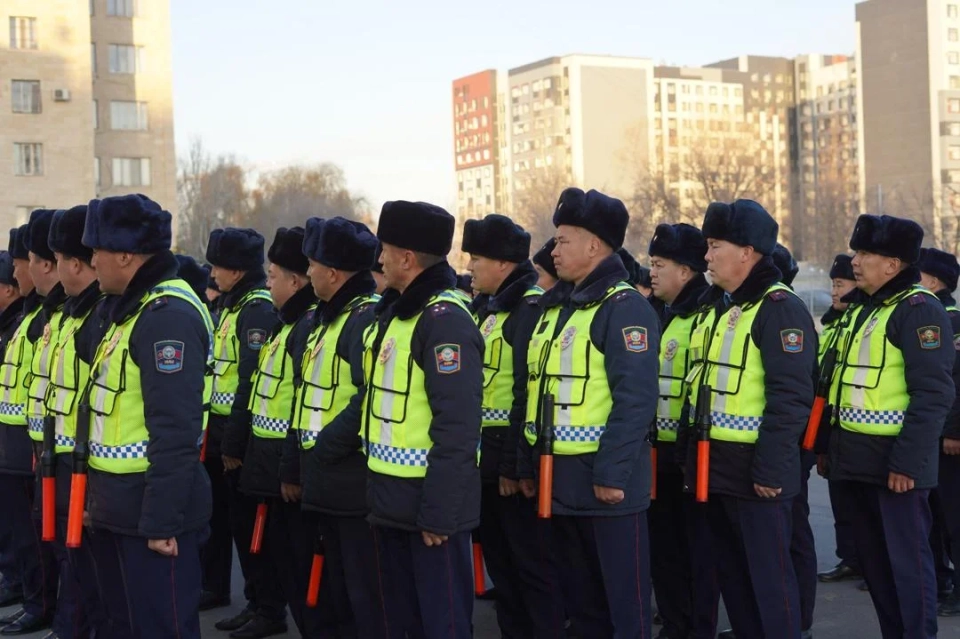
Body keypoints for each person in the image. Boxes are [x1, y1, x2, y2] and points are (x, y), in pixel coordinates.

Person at [520, 187, 660, 637]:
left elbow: (635, 399)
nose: (553, 249)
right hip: (561, 480)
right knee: (582, 605)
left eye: (563, 240)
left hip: (606, 488)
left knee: (624, 606)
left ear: (595, 246)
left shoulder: (624, 308)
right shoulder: (560, 306)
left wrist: (612, 475)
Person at [80, 193, 213, 638]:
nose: (91, 261)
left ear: (125, 253)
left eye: (96, 250)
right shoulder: (129, 310)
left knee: (161, 629)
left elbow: (175, 430)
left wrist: (161, 522)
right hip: (119, 508)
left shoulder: (166, 317)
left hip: (150, 515)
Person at [686, 199, 816, 639]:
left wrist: (772, 468)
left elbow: (791, 398)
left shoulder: (779, 308)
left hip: (757, 475)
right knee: (736, 582)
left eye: (715, 246)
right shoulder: (725, 307)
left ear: (747, 252)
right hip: (717, 469)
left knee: (770, 586)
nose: (706, 256)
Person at [826, 214, 954, 638]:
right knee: (879, 574)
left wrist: (908, 464)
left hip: (896, 471)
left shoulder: (918, 311)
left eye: (865, 254)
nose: (855, 262)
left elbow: (932, 393)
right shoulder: (864, 310)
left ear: (893, 264)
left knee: (907, 571)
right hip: (857, 465)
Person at [364, 200, 482, 638]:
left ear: (408, 259)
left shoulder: (445, 320)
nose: (379, 259)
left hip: (430, 512)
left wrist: (439, 513)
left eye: (385, 249)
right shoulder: (399, 314)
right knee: (403, 623)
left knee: (442, 623)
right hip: (393, 503)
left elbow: (457, 426)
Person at [462, 214, 564, 638]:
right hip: (485, 463)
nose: (469, 268)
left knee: (531, 568)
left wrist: (513, 466)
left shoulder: (527, 309)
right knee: (503, 567)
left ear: (503, 264)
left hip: (510, 462)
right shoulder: (489, 310)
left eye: (477, 259)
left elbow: (526, 392)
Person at [293, 216, 385, 637]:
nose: (307, 272)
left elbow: (368, 395)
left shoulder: (361, 318)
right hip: (326, 481)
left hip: (349, 481)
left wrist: (327, 446)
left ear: (333, 272)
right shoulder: (327, 317)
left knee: (362, 593)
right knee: (336, 588)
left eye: (312, 264)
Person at [238, 227, 319, 638]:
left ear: (295, 280)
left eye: (273, 276)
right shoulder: (284, 324)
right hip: (270, 461)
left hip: (289, 467)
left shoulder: (304, 327)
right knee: (280, 557)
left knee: (301, 564)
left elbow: (301, 406)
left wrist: (290, 469)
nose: (267, 283)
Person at [204, 228, 286, 638]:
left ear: (236, 270)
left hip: (243, 437)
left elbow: (248, 381)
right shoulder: (234, 307)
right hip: (222, 431)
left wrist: (234, 442)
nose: (213, 272)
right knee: (234, 524)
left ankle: (269, 608)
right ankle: (255, 601)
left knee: (254, 527)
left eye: (218, 265)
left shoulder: (254, 310)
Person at [45, 204, 110, 637]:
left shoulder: (100, 315)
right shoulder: (72, 312)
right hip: (65, 455)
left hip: (92, 465)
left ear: (73, 263)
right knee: (74, 565)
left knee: (94, 574)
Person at [647, 223, 709, 639]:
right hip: (659, 457)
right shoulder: (660, 314)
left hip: (691, 458)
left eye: (659, 264)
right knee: (664, 552)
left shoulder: (708, 313)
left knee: (697, 554)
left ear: (685, 271)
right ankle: (675, 624)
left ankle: (696, 627)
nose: (651, 272)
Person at [0, 219, 58, 636]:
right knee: (23, 534)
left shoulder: (42, 318)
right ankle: (30, 594)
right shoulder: (32, 315)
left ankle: (41, 603)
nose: (20, 272)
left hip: (31, 444)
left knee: (36, 537)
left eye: (25, 262)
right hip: (16, 442)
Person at [913, 248, 960, 616]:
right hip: (932, 437)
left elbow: (953, 383)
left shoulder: (951, 320)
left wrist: (954, 431)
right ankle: (942, 581)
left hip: (948, 439)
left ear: (932, 280)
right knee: (934, 516)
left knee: (953, 518)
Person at [815, 254, 863, 588]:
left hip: (858, 425)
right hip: (830, 421)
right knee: (840, 500)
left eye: (840, 284)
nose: (834, 291)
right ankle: (851, 558)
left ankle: (868, 561)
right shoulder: (833, 324)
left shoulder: (860, 320)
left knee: (862, 505)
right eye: (833, 284)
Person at [0, 250, 24, 610]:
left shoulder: (22, 323)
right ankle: (16, 580)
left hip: (21, 445)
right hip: (9, 442)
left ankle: (31, 592)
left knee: (24, 531)